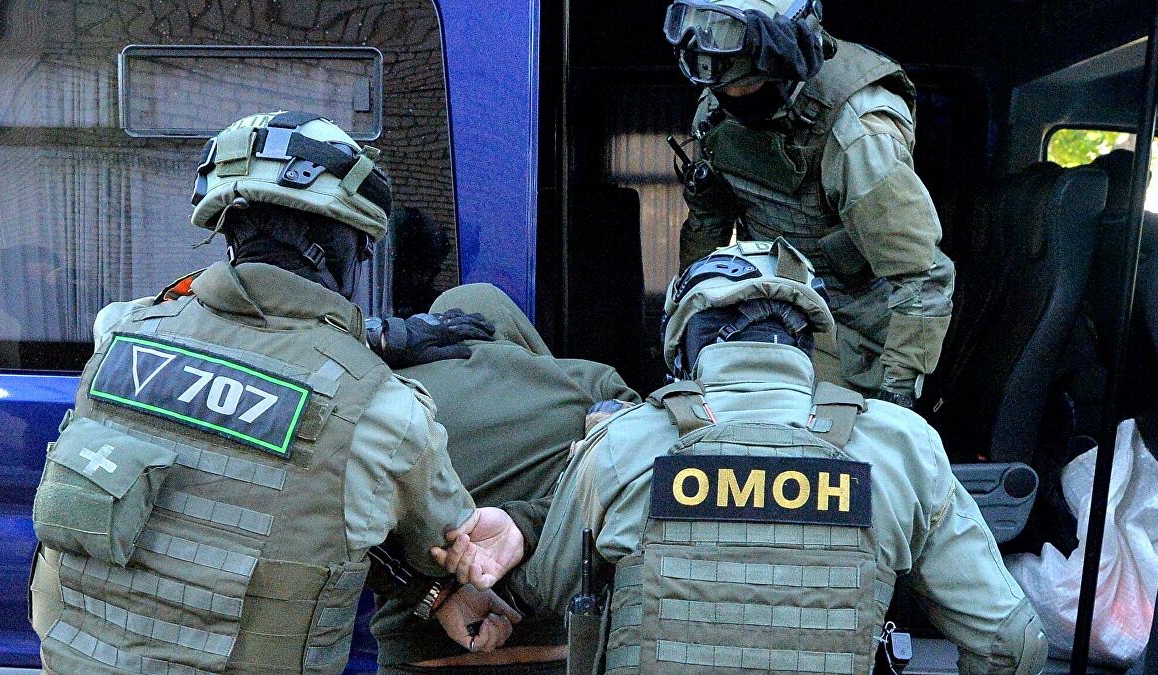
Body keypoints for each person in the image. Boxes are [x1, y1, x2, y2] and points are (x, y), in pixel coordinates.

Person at [28, 111, 522, 675]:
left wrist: (369, 336)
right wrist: (443, 588)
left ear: (228, 229)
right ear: (338, 247)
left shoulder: (119, 334)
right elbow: (446, 544)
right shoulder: (384, 413)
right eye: (362, 249)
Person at [444, 239, 1047, 674]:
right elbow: (1012, 640)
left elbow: (548, 586)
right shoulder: (901, 446)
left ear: (683, 345)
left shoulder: (624, 442)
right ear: (808, 342)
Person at [664, 0, 955, 407]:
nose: (728, 95)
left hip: (856, 335)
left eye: (743, 83)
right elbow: (708, 222)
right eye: (718, 85)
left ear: (782, 68)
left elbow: (923, 278)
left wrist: (897, 395)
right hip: (774, 313)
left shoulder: (857, 136)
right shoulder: (717, 107)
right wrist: (684, 323)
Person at [366, 282, 641, 675]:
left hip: (422, 653)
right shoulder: (589, 383)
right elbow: (633, 499)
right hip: (555, 650)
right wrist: (527, 525)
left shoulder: (386, 396)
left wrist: (436, 594)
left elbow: (339, 513)